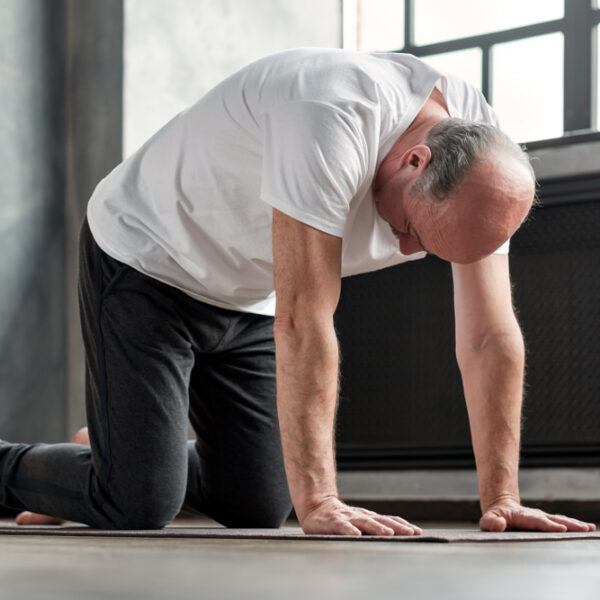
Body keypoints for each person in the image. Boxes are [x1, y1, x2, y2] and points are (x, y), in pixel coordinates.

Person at [1, 48, 595, 536]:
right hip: (148, 258)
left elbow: (490, 335)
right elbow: (305, 319)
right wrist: (323, 502)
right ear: (414, 159)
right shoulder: (331, 114)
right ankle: (91, 469)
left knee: (256, 505)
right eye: (414, 235)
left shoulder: (484, 173)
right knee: (135, 507)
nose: (411, 254)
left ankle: (113, 453)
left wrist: (503, 498)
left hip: (247, 292)